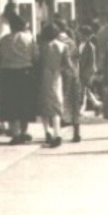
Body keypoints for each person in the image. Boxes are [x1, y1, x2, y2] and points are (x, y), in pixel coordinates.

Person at [0, 3, 36, 143]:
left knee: (11, 105)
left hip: (8, 74)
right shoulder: (30, 39)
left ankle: (15, 133)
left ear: (11, 27)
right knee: (25, 104)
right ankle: (24, 132)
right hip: (26, 73)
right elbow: (36, 57)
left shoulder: (4, 40)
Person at [37, 18, 70, 147]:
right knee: (56, 106)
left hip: (43, 77)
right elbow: (67, 65)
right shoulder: (63, 46)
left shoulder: (41, 47)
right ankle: (58, 133)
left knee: (44, 107)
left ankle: (47, 132)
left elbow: (36, 61)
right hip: (56, 77)